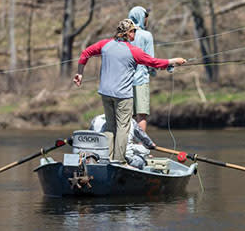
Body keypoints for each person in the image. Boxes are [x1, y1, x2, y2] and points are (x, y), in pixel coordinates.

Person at [73, 19, 185, 163]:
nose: (135, 34)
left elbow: (85, 53)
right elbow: (154, 63)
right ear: (129, 33)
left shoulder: (104, 44)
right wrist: (173, 61)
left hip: (105, 94)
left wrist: (80, 73)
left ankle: (107, 158)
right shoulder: (134, 51)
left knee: (110, 126)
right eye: (134, 31)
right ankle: (118, 161)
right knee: (123, 128)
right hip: (123, 97)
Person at [90, 114, 155, 169]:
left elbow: (90, 140)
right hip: (125, 159)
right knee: (143, 160)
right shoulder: (131, 121)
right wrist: (151, 145)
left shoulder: (97, 119)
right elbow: (145, 139)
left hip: (100, 158)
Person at [128, 6, 154, 132]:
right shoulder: (146, 35)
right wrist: (155, 70)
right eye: (145, 17)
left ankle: (127, 145)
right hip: (140, 81)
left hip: (124, 82)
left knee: (126, 116)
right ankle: (140, 146)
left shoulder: (124, 36)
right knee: (141, 115)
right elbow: (150, 60)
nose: (146, 20)